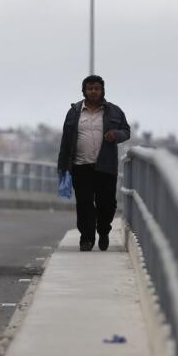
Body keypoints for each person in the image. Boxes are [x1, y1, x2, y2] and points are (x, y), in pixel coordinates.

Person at [57, 75, 131, 251]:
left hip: (106, 167)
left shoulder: (114, 111)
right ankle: (86, 238)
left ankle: (104, 231)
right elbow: (66, 141)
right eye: (90, 88)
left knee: (107, 204)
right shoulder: (74, 112)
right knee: (84, 203)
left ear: (102, 90)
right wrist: (62, 167)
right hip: (80, 166)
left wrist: (115, 135)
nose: (93, 91)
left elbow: (126, 132)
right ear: (84, 91)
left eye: (96, 88)